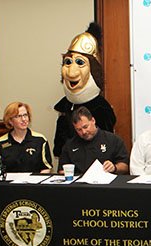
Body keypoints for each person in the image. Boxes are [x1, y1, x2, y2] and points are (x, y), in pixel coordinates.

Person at [53, 23, 116, 157]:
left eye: (80, 63)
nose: (71, 71)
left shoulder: (102, 108)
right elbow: (59, 146)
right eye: (68, 62)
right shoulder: (65, 107)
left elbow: (109, 145)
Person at [58, 106, 128, 175]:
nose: (84, 132)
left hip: (106, 183)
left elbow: (125, 167)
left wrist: (114, 167)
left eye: (85, 127)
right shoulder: (70, 145)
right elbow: (61, 170)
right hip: (79, 184)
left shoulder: (113, 140)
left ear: (93, 120)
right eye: (79, 129)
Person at [0, 102, 53, 173]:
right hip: (10, 183)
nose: (24, 119)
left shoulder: (40, 140)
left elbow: (46, 168)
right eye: (18, 116)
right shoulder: (1, 143)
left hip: (34, 182)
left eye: (25, 115)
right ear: (10, 121)